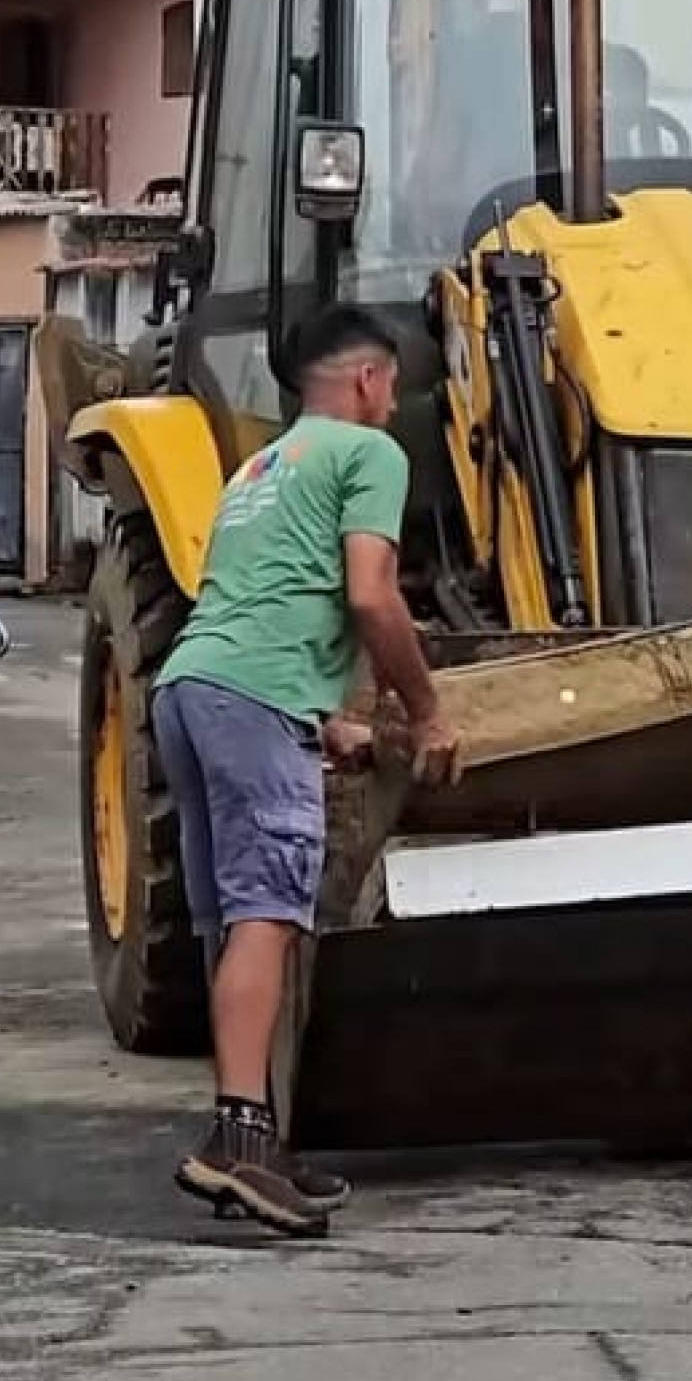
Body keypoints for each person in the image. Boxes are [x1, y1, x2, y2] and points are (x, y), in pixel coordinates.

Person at [153, 304, 460, 1238]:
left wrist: (331, 720)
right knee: (269, 913)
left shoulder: (259, 468)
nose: (394, 401)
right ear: (370, 381)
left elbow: (270, 598)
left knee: (231, 922)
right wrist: (426, 708)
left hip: (190, 687)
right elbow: (370, 594)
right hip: (250, 697)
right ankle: (238, 1142)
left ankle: (255, 1133)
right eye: (394, 386)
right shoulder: (370, 454)